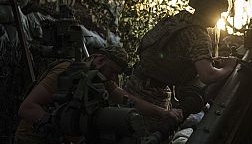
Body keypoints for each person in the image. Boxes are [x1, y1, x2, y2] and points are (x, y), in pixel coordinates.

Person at [15, 45, 183, 144]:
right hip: (31, 139)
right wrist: (62, 129)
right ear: (101, 61)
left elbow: (127, 98)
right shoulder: (65, 72)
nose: (114, 78)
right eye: (113, 72)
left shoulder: (98, 79)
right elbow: (27, 108)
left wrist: (164, 112)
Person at [125, 0, 238, 113]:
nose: (219, 18)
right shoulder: (198, 34)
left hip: (133, 83)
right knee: (148, 130)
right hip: (151, 95)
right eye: (218, 13)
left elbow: (171, 52)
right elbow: (207, 75)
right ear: (209, 10)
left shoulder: (177, 20)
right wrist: (229, 67)